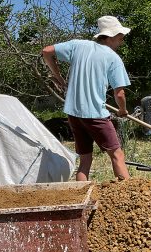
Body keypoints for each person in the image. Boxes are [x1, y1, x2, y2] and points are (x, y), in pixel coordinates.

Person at [42, 15, 131, 181]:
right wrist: (122, 110)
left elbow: (46, 51)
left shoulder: (78, 45)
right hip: (95, 114)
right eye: (120, 38)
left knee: (85, 159)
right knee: (117, 155)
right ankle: (131, 199)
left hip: (74, 113)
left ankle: (81, 201)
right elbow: (119, 93)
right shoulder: (113, 58)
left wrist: (58, 76)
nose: (121, 41)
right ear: (111, 36)